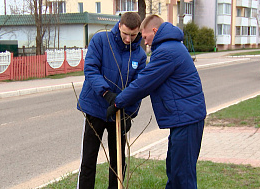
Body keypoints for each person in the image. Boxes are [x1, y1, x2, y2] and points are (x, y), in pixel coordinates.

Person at [107, 15, 206, 189]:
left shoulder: (167, 51)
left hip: (187, 120)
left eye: (144, 37)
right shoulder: (171, 47)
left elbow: (144, 82)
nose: (144, 42)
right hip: (184, 119)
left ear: (154, 31)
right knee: (175, 170)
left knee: (183, 176)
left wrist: (118, 102)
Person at [76, 12, 147, 189]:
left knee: (118, 162)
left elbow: (138, 88)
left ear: (138, 31)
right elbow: (91, 69)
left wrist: (128, 115)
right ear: (119, 26)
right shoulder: (101, 41)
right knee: (89, 160)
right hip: (96, 108)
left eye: (133, 35)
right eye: (125, 34)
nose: (128, 39)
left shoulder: (139, 56)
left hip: (119, 113)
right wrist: (106, 94)